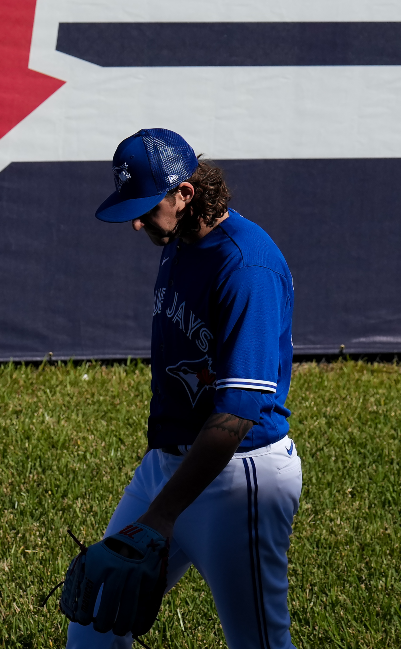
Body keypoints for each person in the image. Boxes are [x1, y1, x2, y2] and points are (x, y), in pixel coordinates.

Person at [68, 129, 303, 648]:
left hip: (240, 475)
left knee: (258, 641)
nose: (136, 222)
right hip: (168, 467)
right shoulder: (180, 240)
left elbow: (237, 413)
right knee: (93, 625)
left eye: (147, 207)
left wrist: (160, 516)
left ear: (186, 194)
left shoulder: (247, 267)